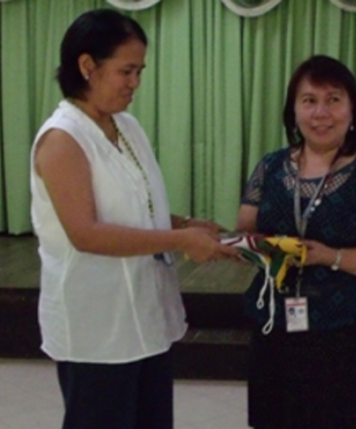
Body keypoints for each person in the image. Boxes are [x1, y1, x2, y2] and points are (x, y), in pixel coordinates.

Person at [30, 9, 237, 429]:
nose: (135, 83)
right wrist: (180, 242)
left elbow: (140, 207)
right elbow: (85, 234)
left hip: (144, 312)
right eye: (126, 71)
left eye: (139, 71)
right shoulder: (62, 139)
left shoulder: (125, 126)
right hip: (97, 324)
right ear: (87, 66)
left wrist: (185, 224)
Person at [236, 55, 356, 429]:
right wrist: (257, 247)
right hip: (275, 326)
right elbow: (246, 232)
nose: (321, 113)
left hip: (344, 330)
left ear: (352, 112)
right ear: (293, 110)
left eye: (334, 100)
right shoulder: (270, 167)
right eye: (309, 100)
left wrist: (329, 256)